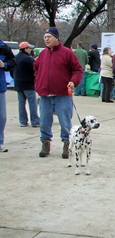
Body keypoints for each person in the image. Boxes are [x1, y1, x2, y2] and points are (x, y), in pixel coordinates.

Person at [34, 27, 83, 158]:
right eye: (45, 37)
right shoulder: (42, 54)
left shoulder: (67, 53)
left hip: (63, 94)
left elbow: (78, 70)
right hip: (45, 95)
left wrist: (73, 81)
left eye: (49, 37)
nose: (46, 39)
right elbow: (36, 69)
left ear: (56, 38)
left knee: (65, 122)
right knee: (44, 121)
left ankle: (67, 144)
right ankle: (45, 143)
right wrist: (38, 82)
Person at [14, 41, 40, 127]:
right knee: (32, 103)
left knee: (21, 103)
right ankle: (35, 121)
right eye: (29, 48)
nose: (31, 50)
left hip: (18, 84)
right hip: (28, 84)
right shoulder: (29, 59)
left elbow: (12, 71)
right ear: (25, 49)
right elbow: (34, 71)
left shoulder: (15, 58)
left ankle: (23, 121)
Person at [0, 37, 16, 152]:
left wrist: (4, 64)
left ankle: (0, 141)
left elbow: (13, 61)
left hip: (0, 87)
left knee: (2, 117)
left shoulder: (4, 47)